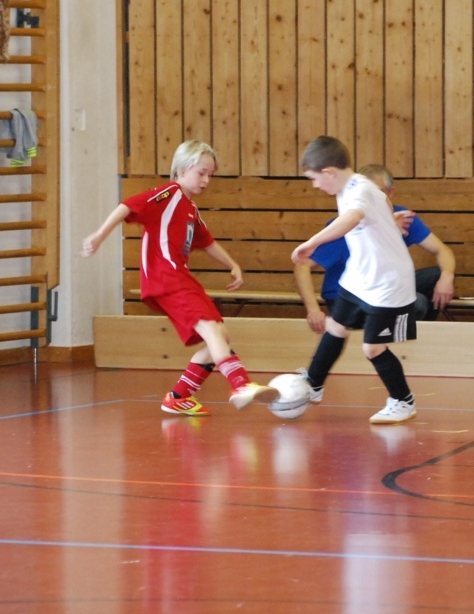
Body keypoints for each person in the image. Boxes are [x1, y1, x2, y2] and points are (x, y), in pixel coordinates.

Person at [81, 140, 278, 417]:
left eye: (210, 174)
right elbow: (127, 206)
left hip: (179, 277)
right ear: (182, 170)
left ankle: (179, 396)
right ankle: (240, 383)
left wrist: (232, 264)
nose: (206, 180)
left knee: (220, 335)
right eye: (201, 173)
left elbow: (207, 242)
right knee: (211, 331)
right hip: (166, 277)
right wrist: (99, 236)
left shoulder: (190, 208)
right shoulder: (168, 193)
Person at [291, 136, 419, 424]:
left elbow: (351, 218)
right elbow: (381, 204)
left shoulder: (359, 189)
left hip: (388, 282)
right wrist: (389, 223)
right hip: (360, 276)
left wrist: (312, 242)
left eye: (314, 179)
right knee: (336, 327)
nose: (315, 186)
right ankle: (314, 383)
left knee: (372, 348)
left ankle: (403, 401)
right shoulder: (351, 187)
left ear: (328, 172)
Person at [293, 163, 455, 332]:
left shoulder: (403, 217)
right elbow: (302, 265)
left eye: (378, 193)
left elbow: (442, 250)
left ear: (391, 193)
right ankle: (389, 334)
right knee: (417, 303)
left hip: (384, 286)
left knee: (438, 274)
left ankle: (414, 333)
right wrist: (313, 310)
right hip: (347, 297)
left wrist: (447, 276)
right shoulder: (347, 225)